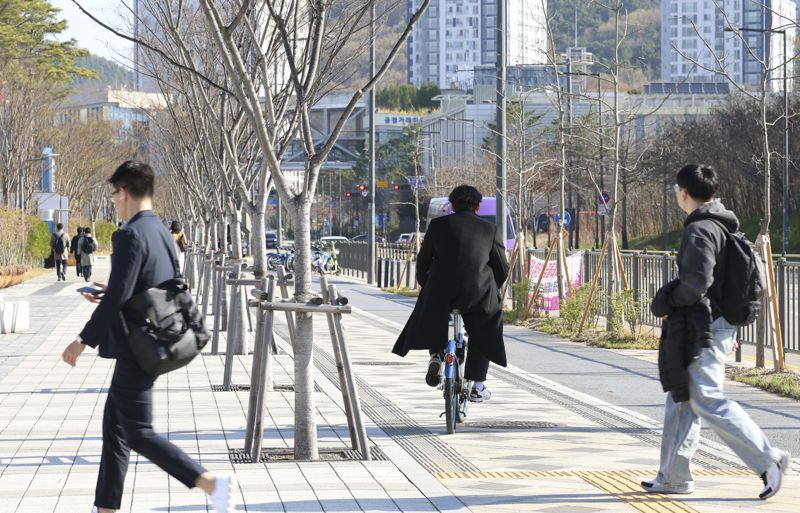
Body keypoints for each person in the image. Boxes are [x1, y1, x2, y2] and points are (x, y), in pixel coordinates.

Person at [60, 161, 235, 513]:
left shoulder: (130, 234)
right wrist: (112, 292)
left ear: (123, 192)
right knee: (116, 429)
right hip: (155, 337)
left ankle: (208, 482)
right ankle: (106, 507)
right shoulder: (159, 230)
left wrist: (82, 340)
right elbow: (152, 284)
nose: (114, 202)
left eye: (113, 194)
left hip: (140, 346)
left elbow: (122, 296)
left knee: (137, 431)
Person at [642, 164, 789, 500]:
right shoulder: (722, 224)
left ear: (683, 192)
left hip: (704, 325)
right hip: (715, 323)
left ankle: (769, 459)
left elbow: (696, 282)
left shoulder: (700, 230)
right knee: (682, 397)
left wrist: (668, 299)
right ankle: (674, 476)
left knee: (705, 396)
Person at [392, 185, 509, 401]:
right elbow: (502, 268)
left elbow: (423, 263)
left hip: (440, 289)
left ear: (452, 205)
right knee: (484, 328)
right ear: (478, 205)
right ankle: (477, 385)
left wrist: (427, 285)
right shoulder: (489, 230)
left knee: (433, 315)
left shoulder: (437, 226)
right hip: (478, 291)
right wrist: (493, 288)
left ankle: (436, 354)